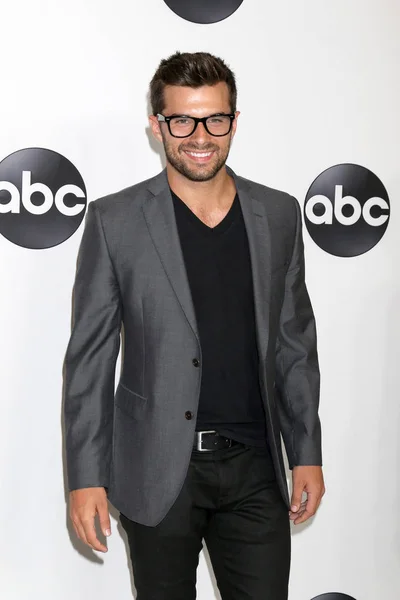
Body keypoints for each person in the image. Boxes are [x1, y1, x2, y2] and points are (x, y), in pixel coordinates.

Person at [63, 51, 325, 600]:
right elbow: (89, 359)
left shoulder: (277, 215)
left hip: (256, 470)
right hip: (158, 470)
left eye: (215, 119)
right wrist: (85, 476)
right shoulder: (116, 221)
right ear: (157, 126)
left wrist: (306, 453)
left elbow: (293, 346)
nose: (199, 136)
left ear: (234, 121)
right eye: (181, 120)